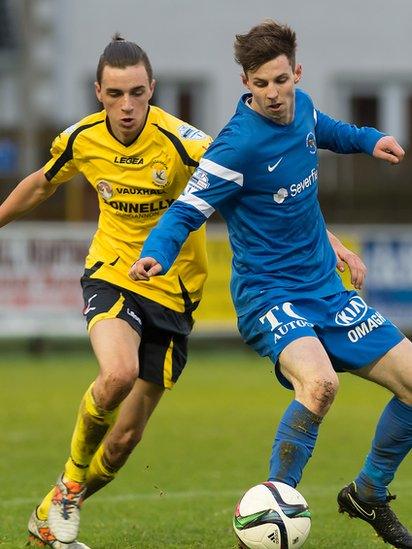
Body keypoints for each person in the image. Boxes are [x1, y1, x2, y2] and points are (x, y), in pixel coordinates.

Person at [0, 33, 365, 549]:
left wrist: (332, 245)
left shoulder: (184, 142)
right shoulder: (80, 139)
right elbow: (40, 182)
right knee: (118, 372)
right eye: (114, 95)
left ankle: (52, 511)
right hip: (114, 273)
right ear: (97, 92)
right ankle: (69, 486)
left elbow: (260, 193)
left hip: (175, 296)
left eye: (137, 94)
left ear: (153, 89)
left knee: (125, 439)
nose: (126, 106)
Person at [130, 20, 412, 549]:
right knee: (321, 384)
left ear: (296, 73)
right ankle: (267, 519)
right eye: (260, 85)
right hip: (269, 296)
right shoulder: (235, 148)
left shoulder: (301, 107)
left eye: (281, 80)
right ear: (246, 83)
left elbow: (327, 131)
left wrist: (372, 140)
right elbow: (185, 211)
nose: (274, 94)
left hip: (325, 290)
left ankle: (368, 493)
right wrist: (155, 255)